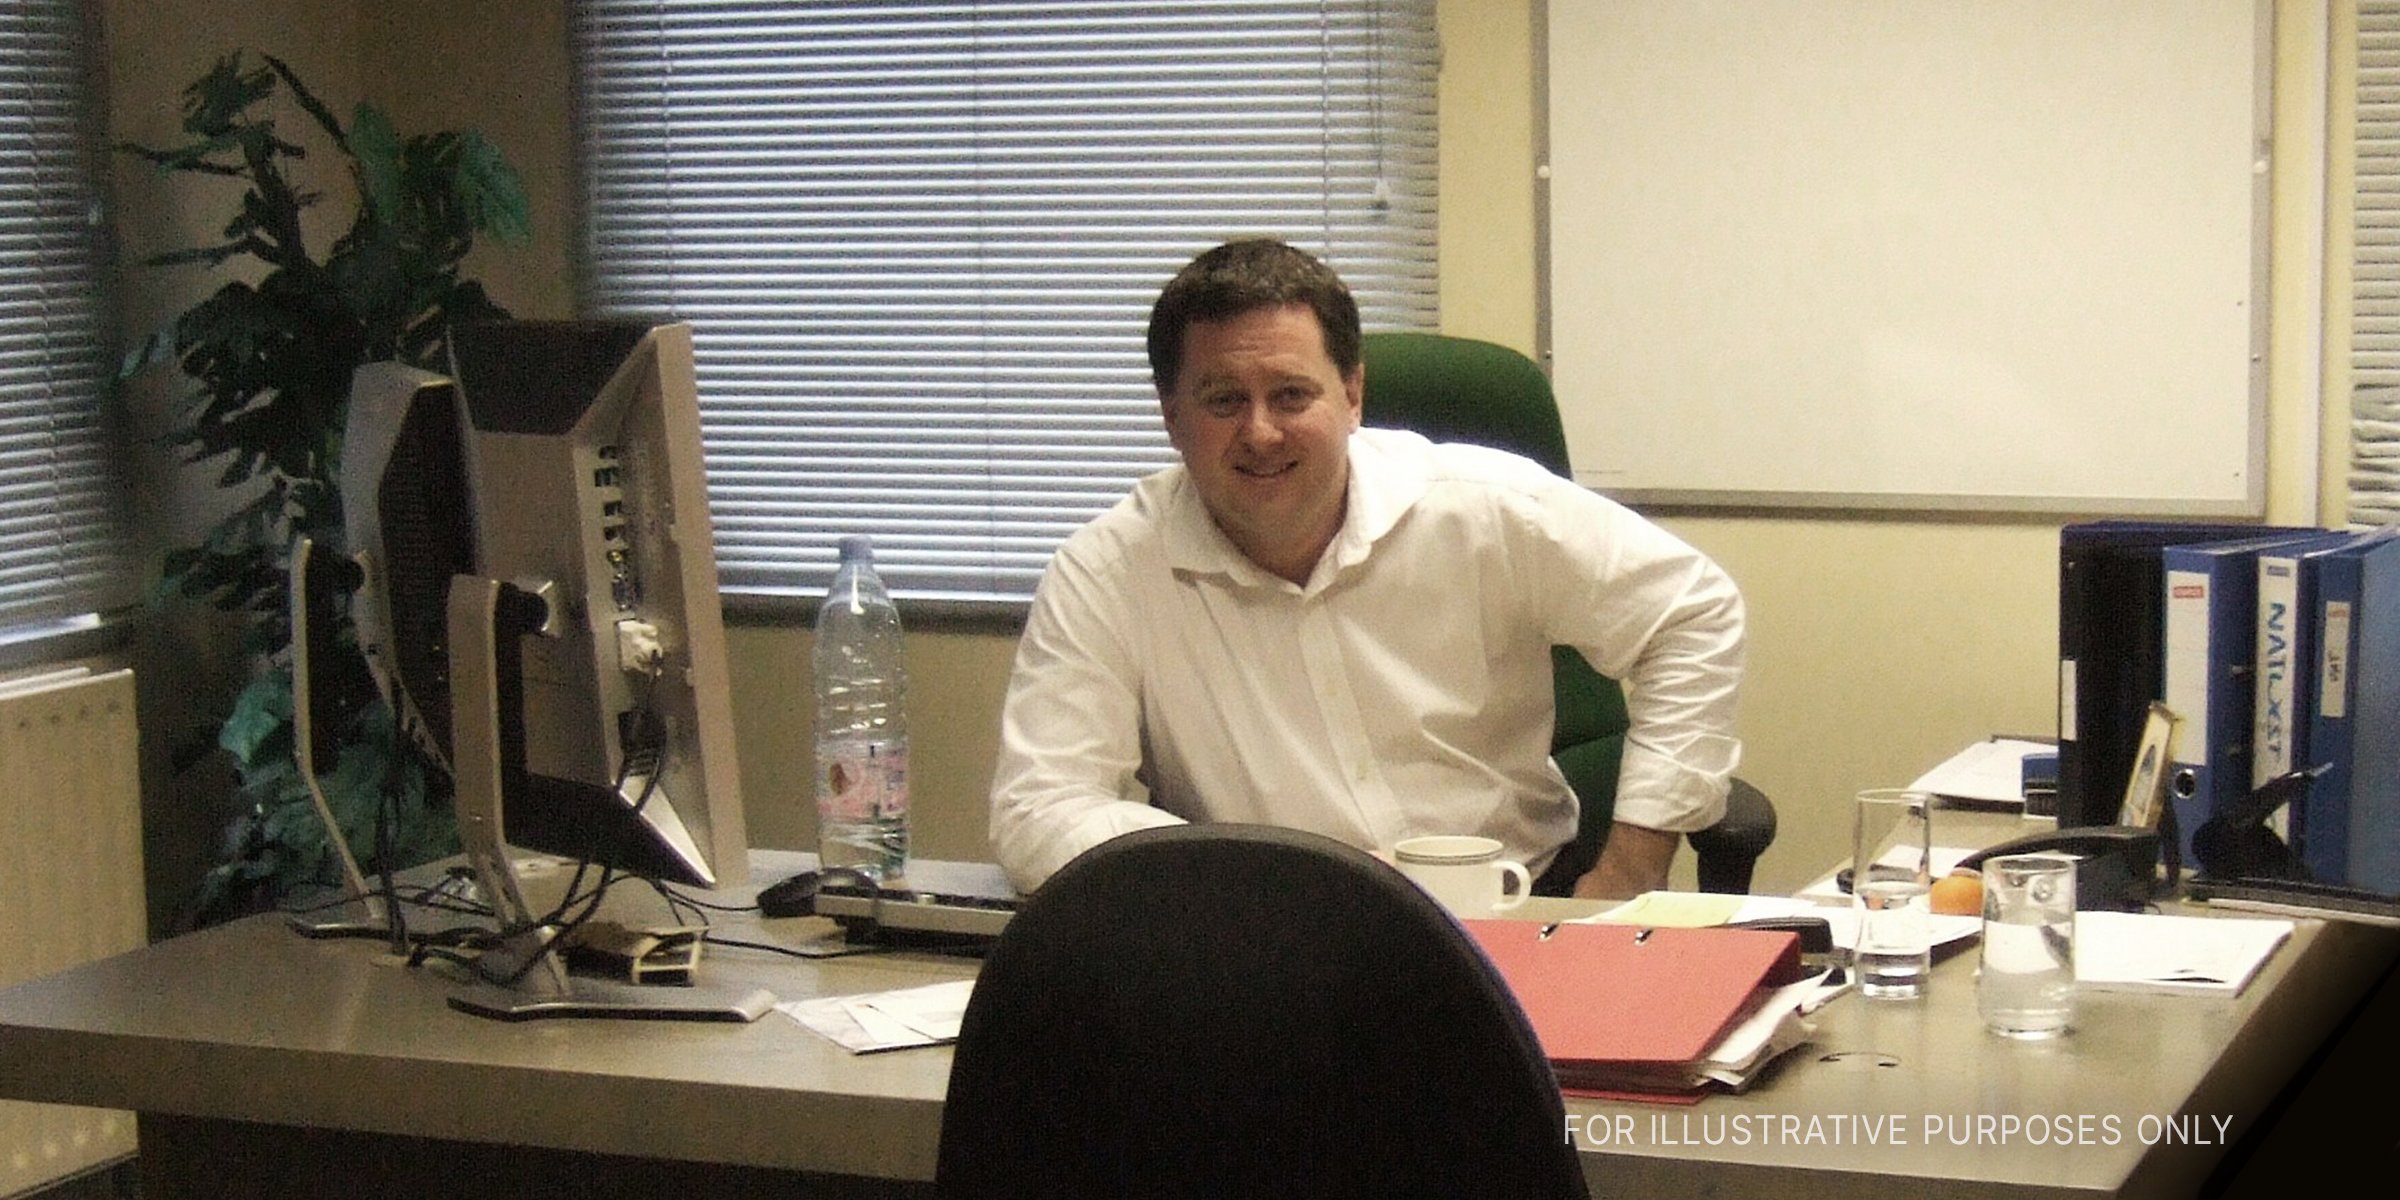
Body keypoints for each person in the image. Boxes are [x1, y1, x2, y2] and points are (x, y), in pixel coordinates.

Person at [988, 238, 1745, 898]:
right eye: (1223, 399)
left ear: (1352, 396)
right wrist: (1249, 877)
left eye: (1291, 395)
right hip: (1268, 931)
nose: (1259, 432)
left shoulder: (1480, 508)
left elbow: (1694, 610)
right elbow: (1040, 810)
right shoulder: (1111, 570)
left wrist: (1631, 870)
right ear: (1171, 415)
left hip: (1513, 905)